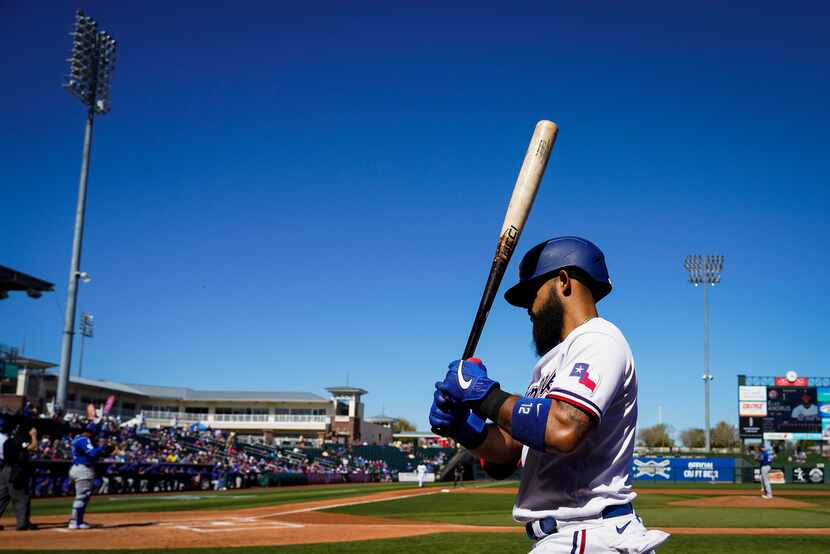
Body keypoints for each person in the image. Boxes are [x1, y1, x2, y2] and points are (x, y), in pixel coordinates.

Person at [430, 236, 670, 553]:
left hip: (588, 532)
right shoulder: (553, 363)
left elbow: (563, 428)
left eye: (533, 293)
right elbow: (510, 451)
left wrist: (481, 393)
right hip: (574, 535)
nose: (529, 308)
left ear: (563, 281)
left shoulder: (598, 338)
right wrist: (462, 427)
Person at [68, 423, 112, 529]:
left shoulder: (77, 438)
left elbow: (91, 455)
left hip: (77, 468)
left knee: (81, 497)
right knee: (82, 497)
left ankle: (76, 521)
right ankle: (76, 522)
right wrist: (102, 447)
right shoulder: (85, 439)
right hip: (83, 469)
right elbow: (92, 453)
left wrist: (103, 452)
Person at [0, 423, 38, 530]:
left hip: (4, 471)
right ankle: (23, 524)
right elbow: (32, 447)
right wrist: (34, 436)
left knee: (1, 497)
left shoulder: (8, 441)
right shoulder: (20, 440)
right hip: (15, 470)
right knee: (21, 497)